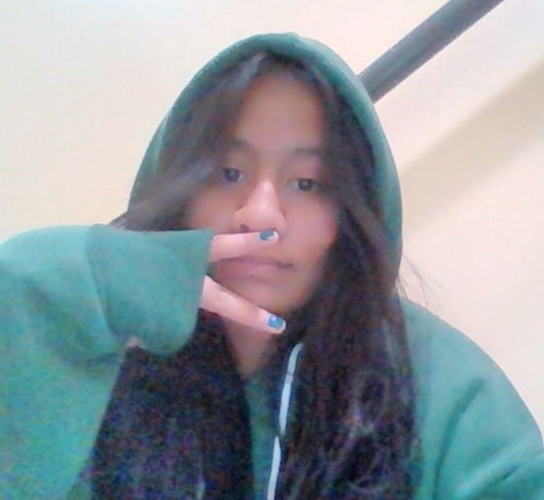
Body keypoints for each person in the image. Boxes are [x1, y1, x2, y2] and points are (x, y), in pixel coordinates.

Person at [1, 32, 543, 500]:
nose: (260, 213)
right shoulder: (98, 342)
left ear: (350, 211)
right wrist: (51, 286)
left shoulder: (442, 383)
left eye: (306, 183)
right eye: (228, 173)